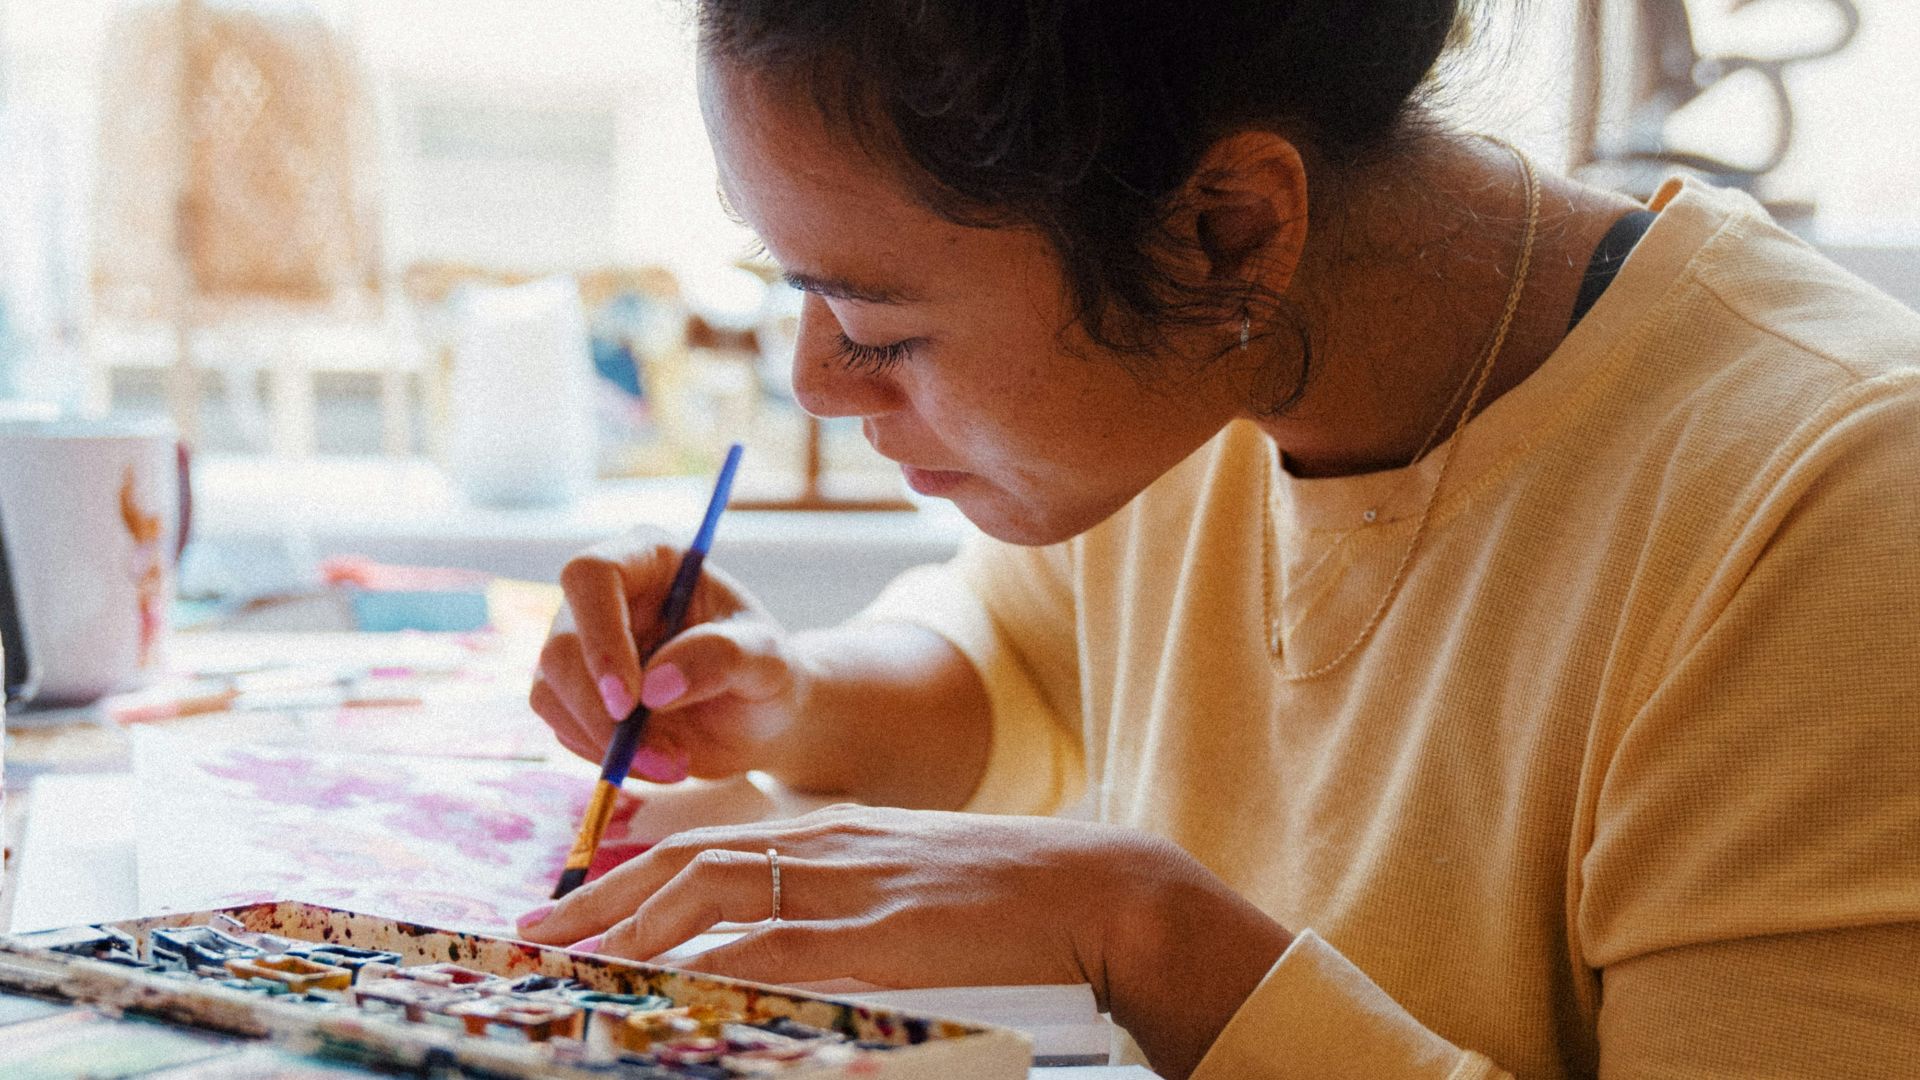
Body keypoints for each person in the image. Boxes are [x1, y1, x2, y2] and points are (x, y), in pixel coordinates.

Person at [513, 2, 1920, 1076]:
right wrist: (791, 691)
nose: (817, 382)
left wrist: (1144, 930)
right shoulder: (1206, 379)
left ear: (1227, 230)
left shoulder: (1835, 506)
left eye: (880, 325)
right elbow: (1009, 661)